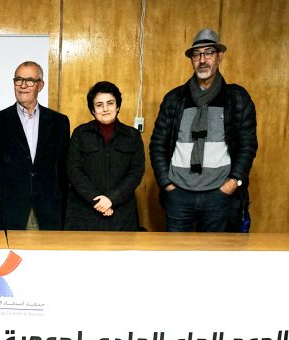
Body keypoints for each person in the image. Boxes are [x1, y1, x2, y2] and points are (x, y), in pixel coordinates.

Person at [149, 28, 257, 232]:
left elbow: (247, 145)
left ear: (219, 57)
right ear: (191, 59)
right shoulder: (174, 99)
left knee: (214, 252)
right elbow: (158, 144)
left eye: (208, 53)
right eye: (197, 54)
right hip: (179, 195)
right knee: (175, 251)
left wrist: (233, 182)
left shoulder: (236, 98)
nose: (202, 60)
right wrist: (166, 184)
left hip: (219, 195)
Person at [0, 61, 71, 231]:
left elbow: (64, 172)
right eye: (18, 80)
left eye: (29, 80)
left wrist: (67, 213)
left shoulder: (59, 122)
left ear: (40, 85)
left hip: (50, 212)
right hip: (9, 212)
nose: (22, 85)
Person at [65, 81, 145, 231]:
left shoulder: (132, 136)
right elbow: (73, 171)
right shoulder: (80, 134)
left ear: (118, 106)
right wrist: (98, 201)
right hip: (84, 213)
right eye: (99, 105)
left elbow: (135, 173)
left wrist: (111, 199)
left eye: (110, 103)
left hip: (121, 214)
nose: (105, 109)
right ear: (92, 109)